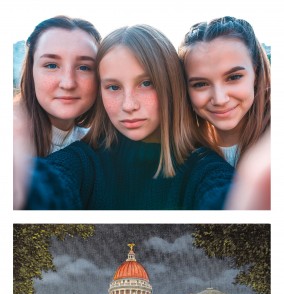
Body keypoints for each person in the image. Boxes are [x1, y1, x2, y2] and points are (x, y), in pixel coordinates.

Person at [15, 24, 234, 210]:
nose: (128, 105)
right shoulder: (84, 159)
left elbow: (226, 198)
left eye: (146, 83)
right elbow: (49, 184)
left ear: (171, 85)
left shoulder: (206, 170)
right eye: (113, 87)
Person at [179, 16, 270, 167]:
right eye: (201, 84)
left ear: (256, 73)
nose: (220, 99)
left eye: (234, 77)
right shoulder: (183, 156)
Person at [15, 15, 101, 156]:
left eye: (84, 67)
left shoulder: (101, 148)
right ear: (32, 72)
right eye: (52, 65)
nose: (68, 83)